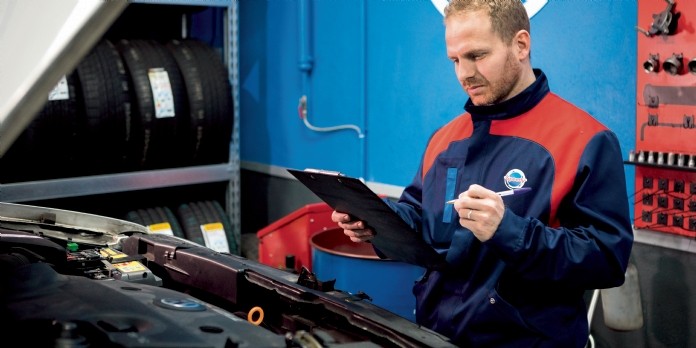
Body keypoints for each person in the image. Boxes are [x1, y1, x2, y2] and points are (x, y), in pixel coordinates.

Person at [331, 0, 634, 346]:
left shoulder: (585, 139)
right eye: (455, 60)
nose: (464, 74)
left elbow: (607, 260)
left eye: (477, 56)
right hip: (434, 335)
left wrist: (510, 231)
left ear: (520, 45)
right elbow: (420, 221)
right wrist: (378, 221)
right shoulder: (444, 140)